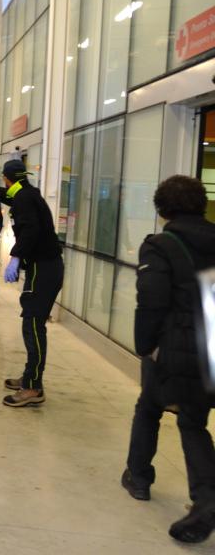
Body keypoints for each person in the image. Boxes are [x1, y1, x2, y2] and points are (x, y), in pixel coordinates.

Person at [124, 175, 215, 544]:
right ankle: (204, 496)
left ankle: (140, 477)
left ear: (162, 209)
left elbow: (152, 300)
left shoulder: (161, 245)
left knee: (149, 407)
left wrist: (145, 346)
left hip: (175, 346)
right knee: (194, 420)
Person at [0, 159, 63, 407]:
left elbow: (30, 230)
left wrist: (15, 256)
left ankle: (33, 388)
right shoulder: (26, 193)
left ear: (7, 178)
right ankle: (30, 377)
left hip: (43, 268)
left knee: (32, 324)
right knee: (32, 323)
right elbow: (8, 197)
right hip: (44, 267)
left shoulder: (25, 199)